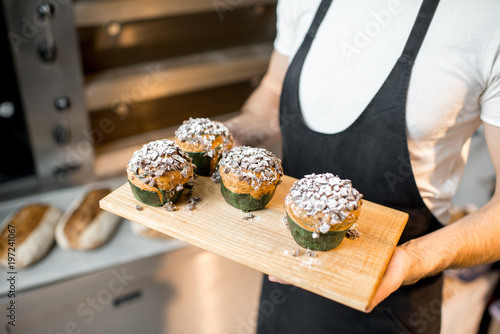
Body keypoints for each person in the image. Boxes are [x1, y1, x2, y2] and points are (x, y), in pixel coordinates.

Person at [225, 0, 500, 333]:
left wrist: (411, 261)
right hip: (285, 283)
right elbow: (272, 90)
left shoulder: (488, 19)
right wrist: (234, 134)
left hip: (392, 301)